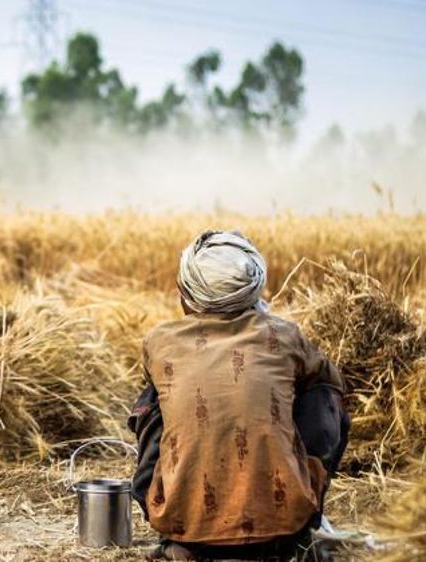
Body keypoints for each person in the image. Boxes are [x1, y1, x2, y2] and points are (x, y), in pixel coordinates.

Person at [129, 230, 350, 561]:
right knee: (322, 391)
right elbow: (333, 390)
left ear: (184, 297)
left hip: (184, 528)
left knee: (155, 398)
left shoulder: (159, 342)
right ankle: (299, 509)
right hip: (282, 534)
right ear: (255, 291)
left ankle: (180, 528)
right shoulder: (286, 336)